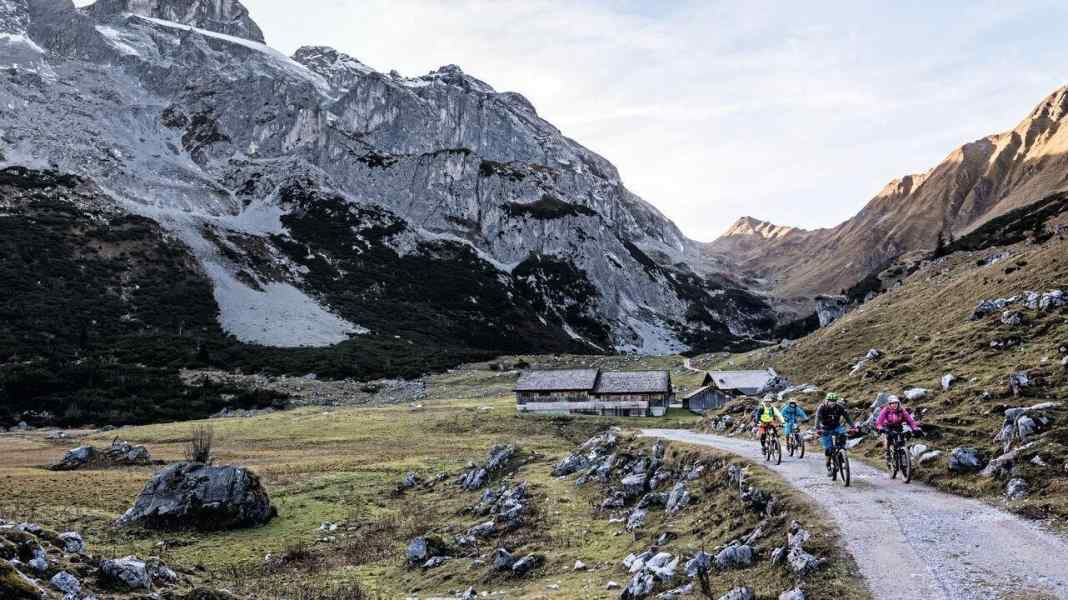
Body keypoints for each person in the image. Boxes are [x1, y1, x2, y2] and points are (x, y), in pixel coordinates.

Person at [875, 397, 921, 464]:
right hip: (888, 427)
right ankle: (888, 454)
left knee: (902, 441)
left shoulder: (902, 410)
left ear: (898, 403)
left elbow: (910, 421)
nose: (894, 405)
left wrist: (915, 429)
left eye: (895, 403)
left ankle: (904, 457)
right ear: (889, 404)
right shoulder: (886, 410)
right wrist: (881, 428)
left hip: (898, 426)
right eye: (892, 403)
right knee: (889, 437)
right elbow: (879, 422)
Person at [815, 393, 853, 474]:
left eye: (834, 401)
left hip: (836, 426)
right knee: (828, 449)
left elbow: (847, 417)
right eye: (830, 401)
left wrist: (853, 427)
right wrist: (817, 429)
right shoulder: (821, 408)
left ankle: (842, 453)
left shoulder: (839, 407)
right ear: (826, 400)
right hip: (825, 428)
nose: (832, 402)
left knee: (843, 435)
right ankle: (828, 464)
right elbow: (817, 419)